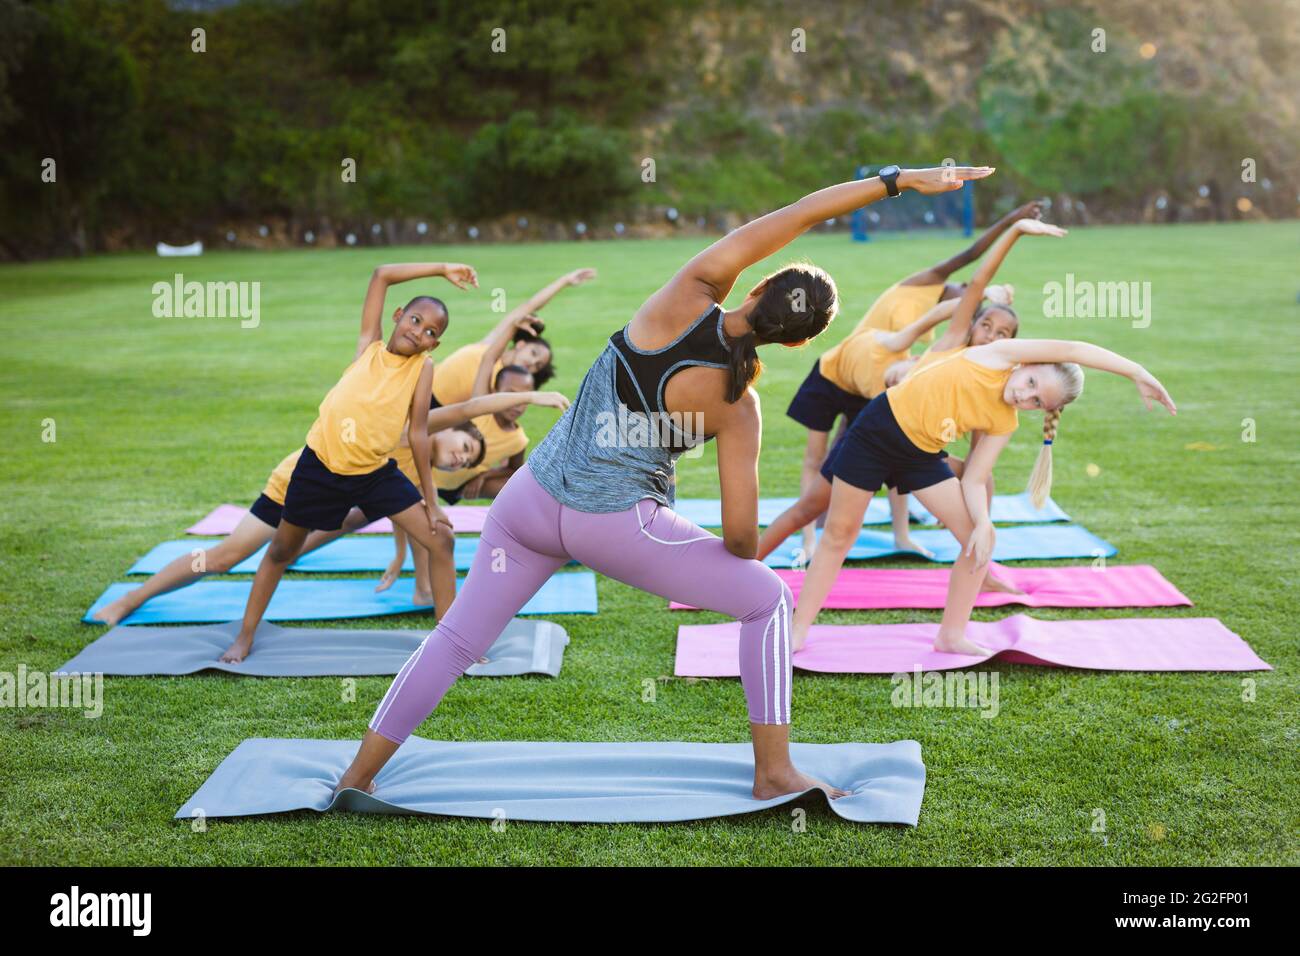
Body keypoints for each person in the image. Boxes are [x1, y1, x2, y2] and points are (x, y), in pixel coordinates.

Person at [334, 164, 996, 801]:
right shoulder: (740, 405)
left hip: (527, 502)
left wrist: (899, 180)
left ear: (760, 286)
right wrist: (702, 537)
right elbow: (741, 541)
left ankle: (356, 776)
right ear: (794, 345)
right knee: (766, 599)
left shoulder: (691, 289)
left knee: (454, 642)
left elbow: (799, 215)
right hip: (616, 526)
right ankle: (774, 771)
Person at [790, 337, 1176, 656]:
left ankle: (951, 635)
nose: (1024, 397)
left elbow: (974, 480)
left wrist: (984, 522)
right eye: (1030, 384)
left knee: (979, 543)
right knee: (840, 533)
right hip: (877, 432)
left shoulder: (1003, 421)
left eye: (1036, 402)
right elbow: (1074, 350)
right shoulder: (996, 356)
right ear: (1027, 363)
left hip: (920, 456)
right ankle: (798, 629)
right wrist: (1136, 371)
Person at [218, 261, 477, 662]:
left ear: (434, 345)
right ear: (397, 316)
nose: (419, 331)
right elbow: (381, 274)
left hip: (373, 474)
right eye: (415, 318)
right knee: (282, 552)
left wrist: (432, 500)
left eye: (431, 332)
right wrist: (442, 268)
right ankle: (245, 636)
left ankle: (451, 647)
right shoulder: (369, 346)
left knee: (442, 540)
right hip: (319, 468)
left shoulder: (422, 370)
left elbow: (418, 434)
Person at [788, 199, 1045, 559]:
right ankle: (810, 539)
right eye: (965, 288)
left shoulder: (950, 336)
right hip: (837, 373)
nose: (963, 290)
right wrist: (1013, 220)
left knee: (886, 455)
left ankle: (900, 535)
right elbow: (972, 253)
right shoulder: (924, 284)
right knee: (820, 461)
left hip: (876, 388)